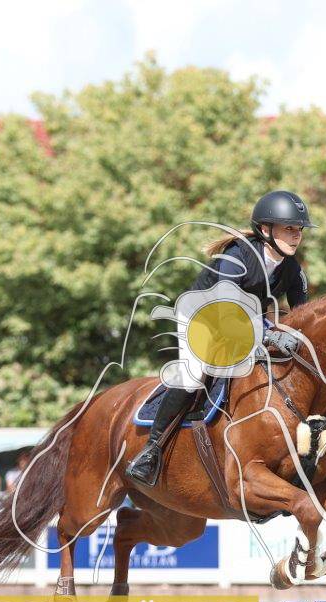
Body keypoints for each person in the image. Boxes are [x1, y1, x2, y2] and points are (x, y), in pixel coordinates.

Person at [125, 190, 316, 486]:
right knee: (194, 376)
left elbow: (303, 316)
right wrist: (267, 335)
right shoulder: (236, 256)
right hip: (203, 318)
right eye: (289, 228)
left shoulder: (292, 269)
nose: (296, 236)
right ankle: (151, 451)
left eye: (299, 230)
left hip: (246, 320)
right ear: (265, 230)